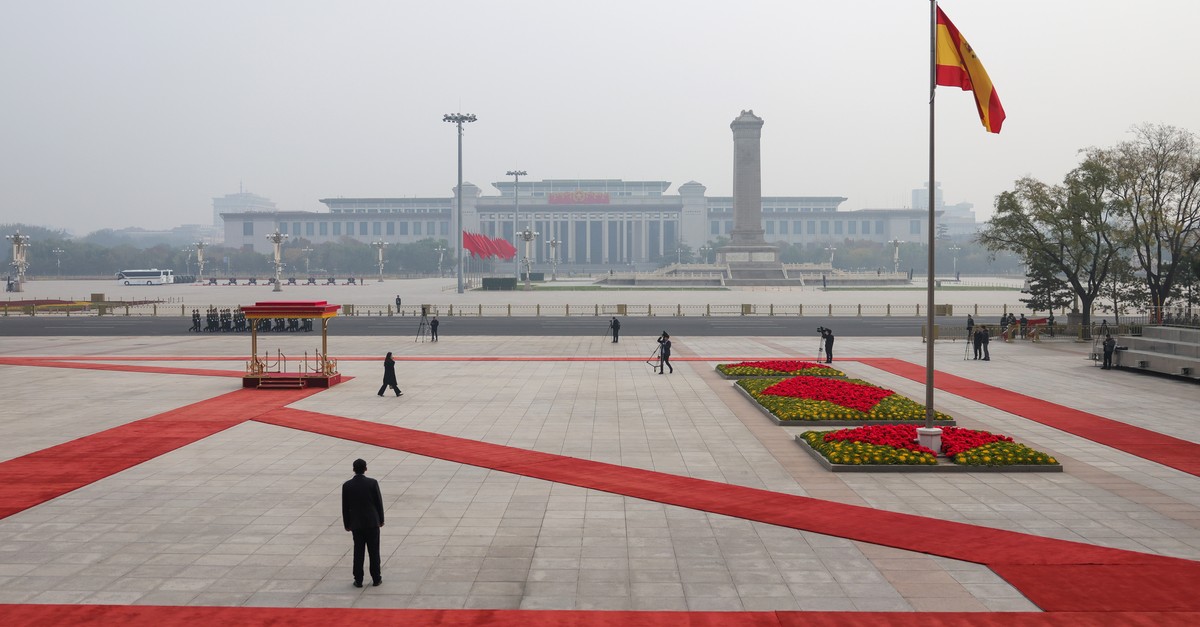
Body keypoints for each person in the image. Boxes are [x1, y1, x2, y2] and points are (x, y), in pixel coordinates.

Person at [342, 458, 384, 588]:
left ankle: (358, 579)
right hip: (372, 523)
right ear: (366, 469)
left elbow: (345, 507)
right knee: (374, 551)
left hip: (356, 524)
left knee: (358, 552)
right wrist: (381, 520)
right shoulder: (372, 483)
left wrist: (347, 524)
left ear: (353, 469)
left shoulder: (347, 485)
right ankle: (376, 578)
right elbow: (378, 503)